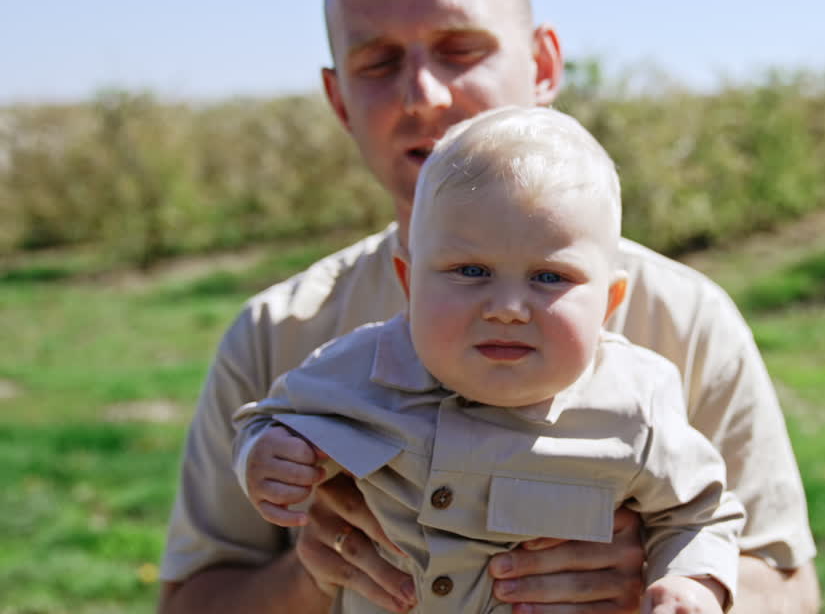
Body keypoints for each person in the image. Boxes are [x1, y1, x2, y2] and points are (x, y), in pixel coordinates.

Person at [157, 0, 820, 613]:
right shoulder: (277, 336)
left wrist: (658, 581)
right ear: (339, 99)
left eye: (460, 49)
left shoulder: (686, 321)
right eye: (377, 61)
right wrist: (313, 574)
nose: (424, 94)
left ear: (541, 65)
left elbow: (791, 588)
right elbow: (189, 599)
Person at [233, 106, 744, 614]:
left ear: (609, 304)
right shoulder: (356, 368)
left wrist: (691, 582)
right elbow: (271, 417)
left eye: (549, 277)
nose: (506, 309)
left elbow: (701, 512)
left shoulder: (635, 406)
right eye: (471, 270)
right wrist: (266, 452)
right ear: (410, 285)